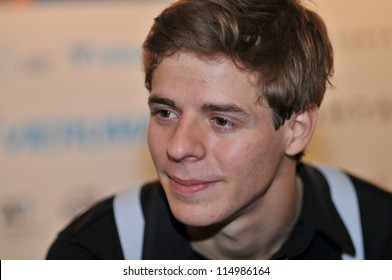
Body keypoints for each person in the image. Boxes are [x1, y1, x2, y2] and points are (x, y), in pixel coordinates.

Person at [46, 0, 392, 260]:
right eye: (165, 112)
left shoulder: (378, 234)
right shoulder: (93, 251)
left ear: (297, 129)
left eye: (222, 120)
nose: (178, 147)